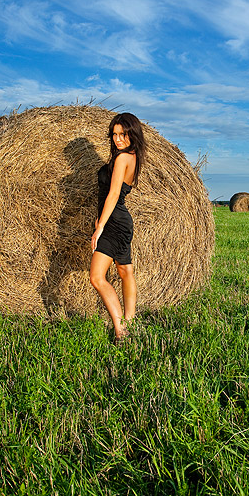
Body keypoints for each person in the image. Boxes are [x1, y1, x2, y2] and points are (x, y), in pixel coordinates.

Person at [90, 112, 147, 342]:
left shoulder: (123, 158)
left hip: (114, 222)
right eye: (114, 134)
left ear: (132, 133)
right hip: (121, 221)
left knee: (96, 277)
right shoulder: (132, 157)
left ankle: (121, 330)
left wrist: (100, 226)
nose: (118, 139)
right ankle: (130, 322)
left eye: (123, 134)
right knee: (125, 272)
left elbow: (113, 194)